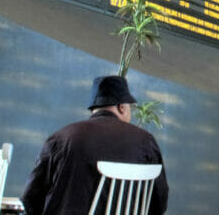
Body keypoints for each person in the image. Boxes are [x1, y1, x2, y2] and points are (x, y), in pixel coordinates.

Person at [21, 75, 168, 215]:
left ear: (94, 109)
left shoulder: (61, 138)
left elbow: (31, 198)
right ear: (122, 107)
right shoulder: (146, 141)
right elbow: (159, 201)